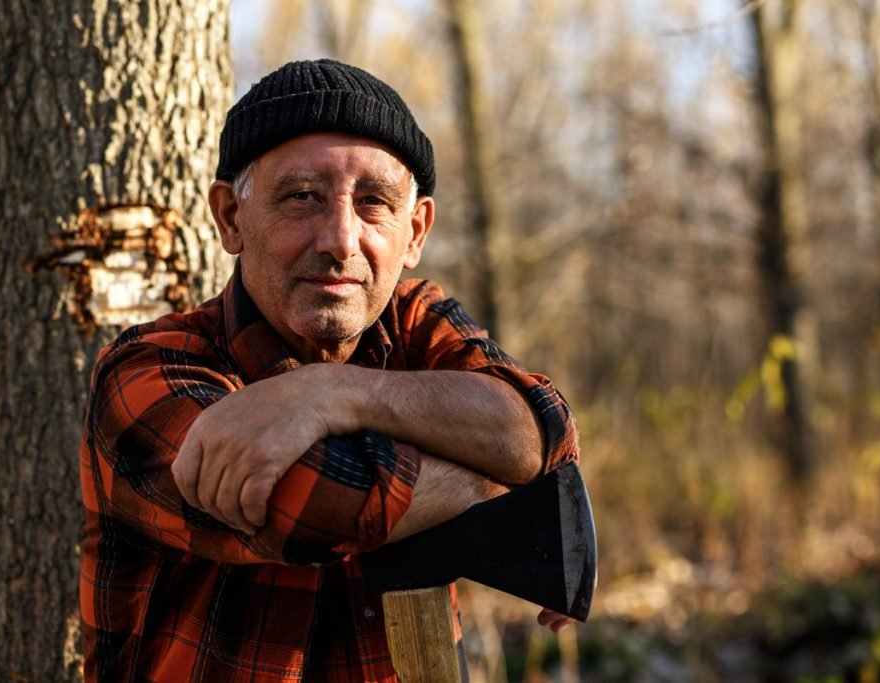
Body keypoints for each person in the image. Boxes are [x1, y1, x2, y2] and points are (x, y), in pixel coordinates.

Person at [79, 58, 579, 682]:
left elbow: (540, 427)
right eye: (302, 197)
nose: (340, 240)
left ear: (415, 230)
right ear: (231, 218)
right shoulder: (149, 370)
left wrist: (332, 392)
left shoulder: (415, 320)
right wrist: (500, 491)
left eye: (373, 202)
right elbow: (317, 510)